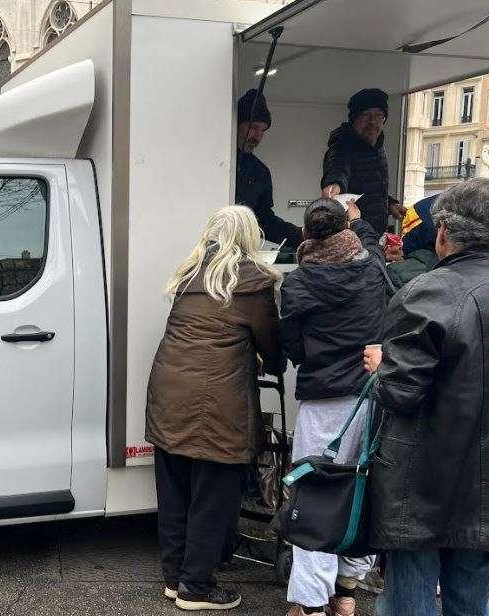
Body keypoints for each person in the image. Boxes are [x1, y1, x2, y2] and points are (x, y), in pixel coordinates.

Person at [363, 178, 489, 616]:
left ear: (443, 232)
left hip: (423, 483)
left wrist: (381, 365)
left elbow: (399, 393)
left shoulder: (428, 292)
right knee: (472, 601)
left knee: (408, 601)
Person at [146, 205, 284, 611]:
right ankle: (196, 588)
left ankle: (174, 579)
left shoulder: (189, 274)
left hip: (168, 395)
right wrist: (268, 361)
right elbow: (272, 350)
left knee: (174, 492)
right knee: (212, 497)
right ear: (249, 237)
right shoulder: (254, 281)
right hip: (218, 406)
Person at [278, 198, 386, 616]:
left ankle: (309, 604)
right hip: (370, 396)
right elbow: (370, 241)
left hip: (322, 399)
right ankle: (346, 593)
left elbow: (291, 346)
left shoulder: (298, 283)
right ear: (347, 230)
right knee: (361, 488)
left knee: (315, 495)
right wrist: (358, 218)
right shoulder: (373, 268)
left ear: (306, 235)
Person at [321, 88, 404, 234]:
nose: (372, 122)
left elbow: (368, 187)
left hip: (374, 233)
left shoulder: (377, 147)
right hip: (353, 235)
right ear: (354, 119)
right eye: (365, 115)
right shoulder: (342, 147)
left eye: (378, 115)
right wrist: (334, 185)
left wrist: (390, 204)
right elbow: (337, 169)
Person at [235, 89, 303, 249]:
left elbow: (265, 220)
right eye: (254, 127)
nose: (257, 136)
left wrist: (301, 234)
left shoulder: (260, 172)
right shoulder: (214, 163)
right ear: (237, 124)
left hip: (241, 249)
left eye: (263, 130)